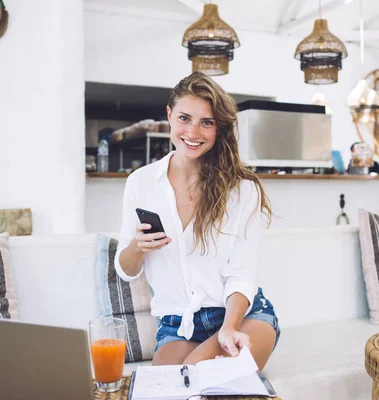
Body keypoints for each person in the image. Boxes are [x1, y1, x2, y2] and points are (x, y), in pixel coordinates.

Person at [114, 72, 280, 370]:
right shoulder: (141, 183)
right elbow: (126, 270)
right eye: (184, 118)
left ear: (219, 128)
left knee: (201, 375)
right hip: (177, 325)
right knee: (174, 388)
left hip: (242, 317)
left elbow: (242, 275)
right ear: (169, 115)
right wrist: (138, 247)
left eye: (207, 122)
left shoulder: (241, 189)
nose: (193, 131)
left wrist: (229, 328)